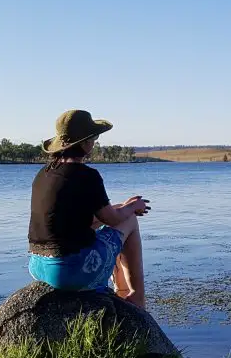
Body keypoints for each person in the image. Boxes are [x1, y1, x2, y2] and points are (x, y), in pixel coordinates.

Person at [27, 110, 151, 309]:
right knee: (130, 221)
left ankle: (121, 295)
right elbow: (111, 219)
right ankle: (134, 297)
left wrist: (123, 207)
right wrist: (134, 206)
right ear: (85, 143)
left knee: (119, 214)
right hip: (68, 272)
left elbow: (86, 220)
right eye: (94, 137)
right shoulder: (87, 175)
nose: (95, 141)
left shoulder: (44, 173)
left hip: (37, 266)